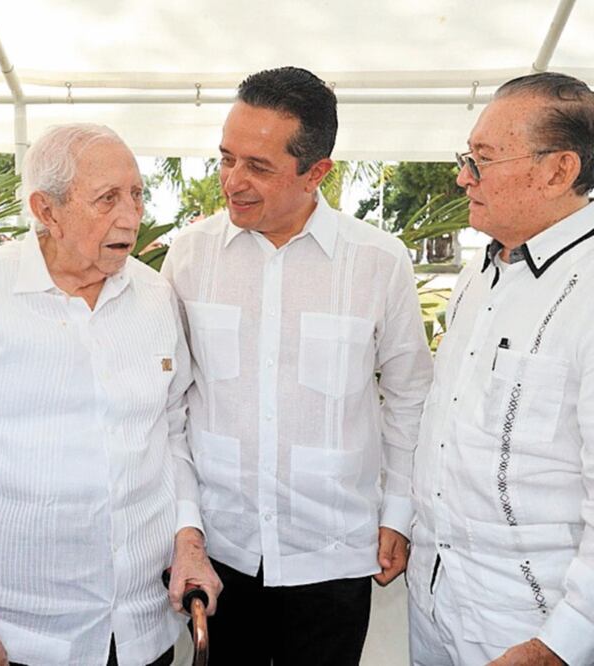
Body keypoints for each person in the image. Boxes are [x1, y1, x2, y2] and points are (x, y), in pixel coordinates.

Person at [0, 123, 222, 666]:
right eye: (107, 199)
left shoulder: (155, 296)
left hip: (138, 633)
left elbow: (171, 431)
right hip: (8, 636)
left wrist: (188, 536)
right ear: (46, 211)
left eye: (137, 193)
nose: (131, 215)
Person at [161, 66, 432, 665]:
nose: (233, 182)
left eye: (258, 167)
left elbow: (411, 397)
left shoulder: (377, 262)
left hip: (333, 552)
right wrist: (186, 527)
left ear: (317, 173)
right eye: (226, 158)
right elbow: (171, 404)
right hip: (221, 552)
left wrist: (399, 513)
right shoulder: (190, 255)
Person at [408, 72, 594, 666]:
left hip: (530, 626)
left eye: (482, 160)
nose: (463, 176)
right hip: (434, 599)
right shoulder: (480, 272)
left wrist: (560, 643)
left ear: (557, 170)